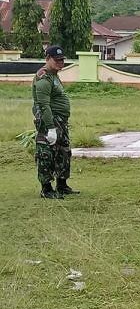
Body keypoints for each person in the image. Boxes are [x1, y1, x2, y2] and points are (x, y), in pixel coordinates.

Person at [32, 45, 78, 199]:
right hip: (50, 121)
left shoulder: (54, 75)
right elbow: (43, 104)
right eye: (57, 60)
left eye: (62, 60)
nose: (61, 63)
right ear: (47, 59)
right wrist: (50, 128)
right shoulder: (43, 77)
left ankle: (62, 184)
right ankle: (46, 188)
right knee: (47, 153)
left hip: (61, 121)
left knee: (63, 151)